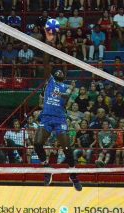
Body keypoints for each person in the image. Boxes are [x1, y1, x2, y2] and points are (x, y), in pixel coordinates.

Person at [33, 31, 82, 191]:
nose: (59, 71)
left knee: (67, 148)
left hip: (60, 118)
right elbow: (46, 62)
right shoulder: (50, 81)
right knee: (37, 143)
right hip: (46, 118)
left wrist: (69, 92)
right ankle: (47, 168)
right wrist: (48, 44)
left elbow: (65, 102)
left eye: (62, 71)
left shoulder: (67, 87)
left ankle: (73, 174)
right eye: (57, 71)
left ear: (64, 76)